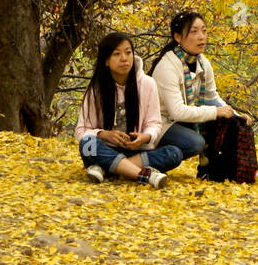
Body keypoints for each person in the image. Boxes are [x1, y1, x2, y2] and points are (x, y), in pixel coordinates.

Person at [75, 31, 182, 188]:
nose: (124, 58)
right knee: (87, 144)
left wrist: (144, 137)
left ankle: (108, 169)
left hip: (136, 151)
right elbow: (81, 131)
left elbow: (154, 123)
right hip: (105, 149)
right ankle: (143, 175)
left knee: (174, 153)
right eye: (116, 54)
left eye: (128, 52)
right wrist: (104, 134)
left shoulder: (147, 83)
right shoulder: (96, 89)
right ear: (106, 61)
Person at [150, 10, 249, 167]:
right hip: (158, 124)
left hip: (179, 121)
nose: (201, 37)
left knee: (225, 121)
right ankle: (149, 157)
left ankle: (213, 168)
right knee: (195, 143)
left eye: (204, 30)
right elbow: (177, 111)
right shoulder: (167, 66)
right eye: (194, 32)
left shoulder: (202, 62)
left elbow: (211, 97)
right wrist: (215, 112)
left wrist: (236, 116)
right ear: (177, 37)